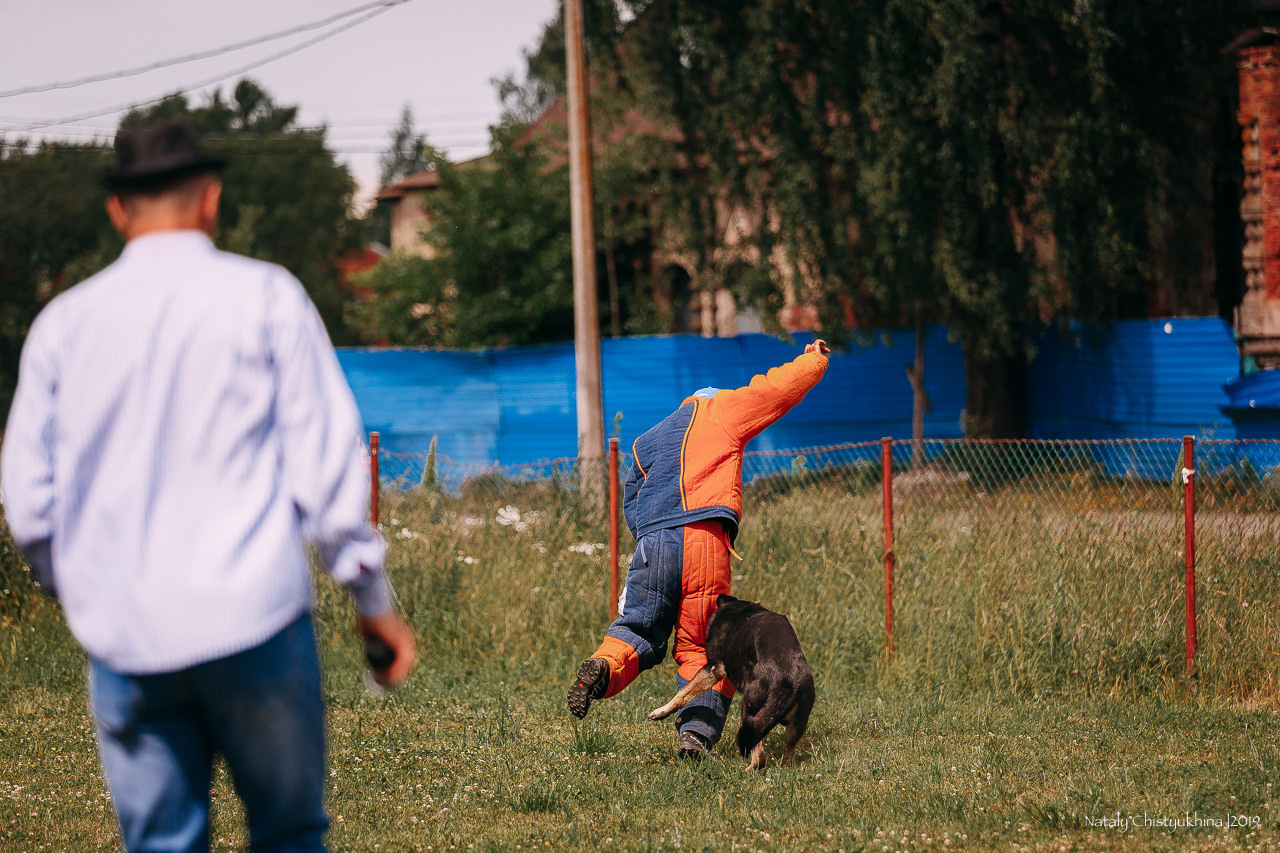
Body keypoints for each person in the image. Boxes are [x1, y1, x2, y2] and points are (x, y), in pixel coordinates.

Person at [0, 118, 415, 852]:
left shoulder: (62, 327)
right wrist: (370, 600)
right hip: (257, 621)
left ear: (117, 209)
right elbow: (326, 463)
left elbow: (30, 506)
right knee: (288, 833)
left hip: (127, 634)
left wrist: (84, 588)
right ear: (211, 199)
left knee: (162, 843)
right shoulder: (268, 298)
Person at [567, 339, 830, 758]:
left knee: (637, 628)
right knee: (702, 646)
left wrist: (646, 536)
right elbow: (776, 390)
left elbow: (632, 483)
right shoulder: (723, 410)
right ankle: (695, 737)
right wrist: (814, 359)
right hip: (702, 540)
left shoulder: (652, 437)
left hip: (652, 544)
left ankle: (602, 666)